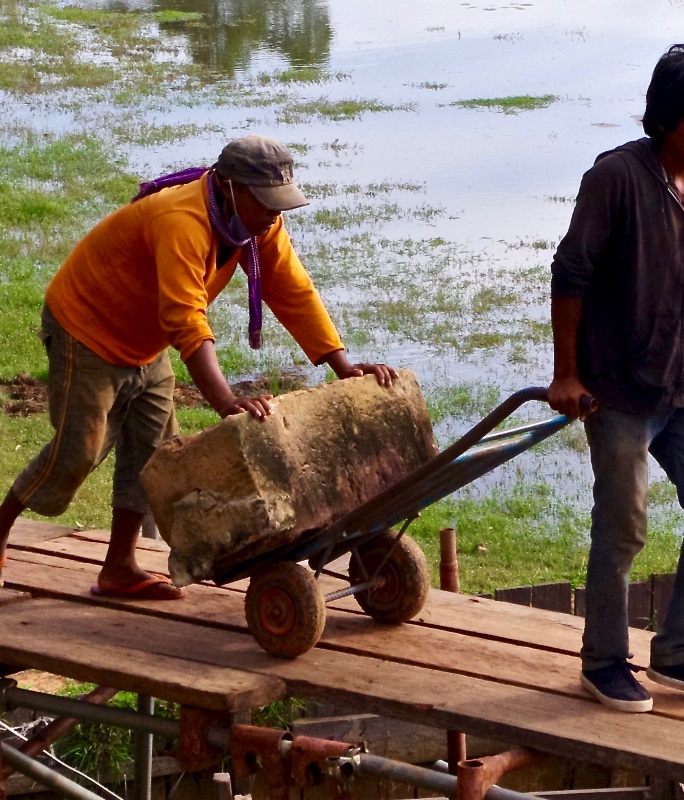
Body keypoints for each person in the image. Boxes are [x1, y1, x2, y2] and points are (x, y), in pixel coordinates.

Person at [0, 134, 398, 600]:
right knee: (79, 452)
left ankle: (119, 568)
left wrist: (343, 366)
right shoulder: (182, 220)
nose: (276, 213)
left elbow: (292, 290)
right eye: (267, 202)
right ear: (230, 188)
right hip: (88, 328)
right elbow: (186, 317)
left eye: (281, 203)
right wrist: (225, 400)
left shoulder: (256, 226)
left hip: (146, 341)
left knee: (156, 456)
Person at [548, 45, 684, 712]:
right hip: (619, 387)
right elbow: (570, 274)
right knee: (624, 525)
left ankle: (680, 651)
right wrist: (567, 374)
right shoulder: (615, 179)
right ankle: (604, 661)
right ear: (666, 121)